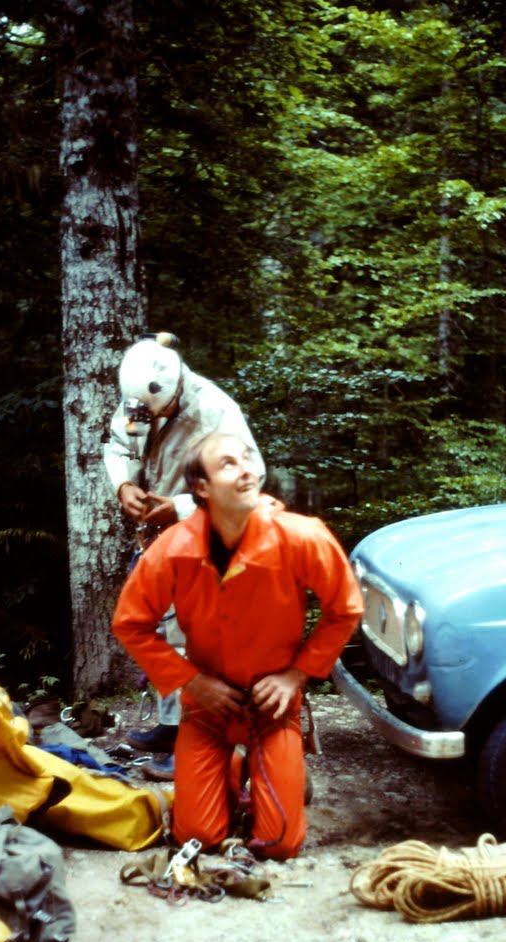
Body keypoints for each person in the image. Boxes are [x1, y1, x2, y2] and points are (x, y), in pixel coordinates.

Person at [112, 432, 363, 859]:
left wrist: (296, 675)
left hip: (273, 706)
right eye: (228, 464)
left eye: (247, 458)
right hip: (207, 706)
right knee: (198, 837)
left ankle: (278, 769)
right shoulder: (173, 548)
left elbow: (346, 607)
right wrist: (192, 682)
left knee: (279, 844)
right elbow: (130, 623)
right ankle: (230, 767)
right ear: (202, 487)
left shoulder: (301, 536)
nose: (247, 469)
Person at [103, 334, 265, 779]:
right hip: (158, 541)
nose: (152, 419)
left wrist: (177, 507)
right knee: (161, 631)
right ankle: (173, 725)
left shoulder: (215, 412)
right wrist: (124, 485)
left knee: (195, 640)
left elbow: (251, 480)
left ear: (175, 388)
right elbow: (118, 444)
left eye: (162, 412)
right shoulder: (141, 400)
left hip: (205, 535)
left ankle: (199, 744)